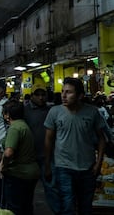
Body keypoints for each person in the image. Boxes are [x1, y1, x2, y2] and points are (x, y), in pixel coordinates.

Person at [44, 77, 106, 215]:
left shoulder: (92, 112)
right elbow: (48, 140)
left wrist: (98, 164)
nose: (64, 96)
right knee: (67, 206)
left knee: (86, 207)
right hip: (63, 167)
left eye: (69, 92)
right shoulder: (54, 112)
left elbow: (102, 139)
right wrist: (48, 164)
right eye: (62, 92)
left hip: (87, 168)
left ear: (80, 96)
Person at [0, 100, 40, 215]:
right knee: (26, 206)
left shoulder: (15, 128)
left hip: (18, 174)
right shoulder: (23, 125)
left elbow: (8, 153)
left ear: (7, 115)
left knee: (14, 208)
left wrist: (3, 165)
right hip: (30, 173)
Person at [24, 83, 60, 214]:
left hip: (48, 157)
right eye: (37, 95)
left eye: (43, 94)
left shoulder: (52, 110)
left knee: (52, 189)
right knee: (27, 191)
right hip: (30, 158)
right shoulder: (25, 110)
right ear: (31, 96)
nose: (40, 97)